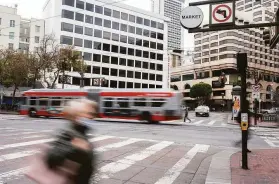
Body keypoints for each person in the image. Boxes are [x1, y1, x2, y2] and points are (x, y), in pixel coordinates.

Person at [46, 99, 98, 184]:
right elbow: (51, 159)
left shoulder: (82, 132)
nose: (91, 117)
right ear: (76, 116)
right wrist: (73, 147)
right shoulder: (68, 133)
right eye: (88, 113)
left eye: (93, 114)